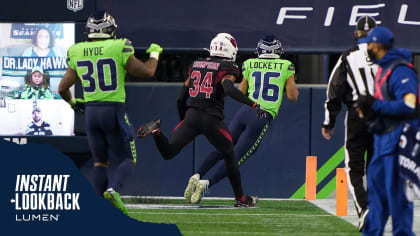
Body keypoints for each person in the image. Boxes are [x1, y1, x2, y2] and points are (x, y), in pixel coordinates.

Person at [137, 33, 265, 207]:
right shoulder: (228, 66)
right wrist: (254, 104)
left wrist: (184, 121)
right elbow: (228, 89)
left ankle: (157, 131)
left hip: (192, 115)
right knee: (230, 155)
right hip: (212, 119)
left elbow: (180, 98)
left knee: (169, 152)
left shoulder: (196, 64)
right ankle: (241, 198)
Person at [58, 11, 162, 214]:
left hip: (91, 113)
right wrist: (155, 54)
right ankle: (115, 189)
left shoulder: (77, 50)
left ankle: (97, 207)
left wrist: (73, 103)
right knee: (129, 158)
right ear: (110, 29)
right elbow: (147, 71)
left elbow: (62, 88)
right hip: (113, 109)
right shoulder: (118, 46)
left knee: (99, 161)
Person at [182, 35, 298, 204]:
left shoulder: (250, 63)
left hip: (245, 111)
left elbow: (241, 91)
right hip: (261, 115)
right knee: (235, 158)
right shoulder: (286, 65)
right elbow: (292, 96)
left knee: (223, 148)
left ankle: (197, 174)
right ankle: (206, 184)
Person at [355, 26, 418, 236]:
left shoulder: (400, 70)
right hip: (383, 141)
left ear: (378, 45)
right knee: (376, 197)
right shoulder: (383, 68)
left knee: (397, 198)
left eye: (370, 45)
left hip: (399, 141)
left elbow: (409, 105)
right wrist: (370, 113)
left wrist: (375, 106)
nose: (368, 49)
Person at [321, 16, 376, 231]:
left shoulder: (348, 56)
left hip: (357, 114)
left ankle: (364, 208)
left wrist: (329, 121)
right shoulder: (387, 56)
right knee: (376, 165)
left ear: (356, 34)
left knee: (353, 166)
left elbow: (334, 89)